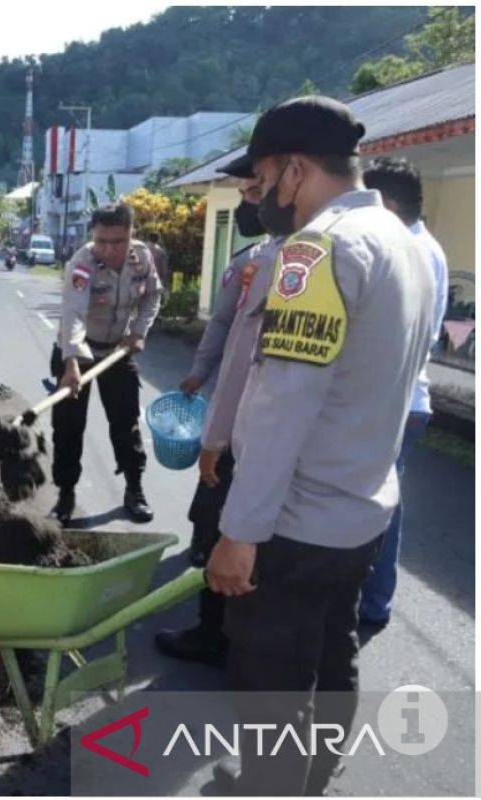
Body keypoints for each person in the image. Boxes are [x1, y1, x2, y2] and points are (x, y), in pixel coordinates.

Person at [205, 97, 435, 796]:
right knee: (333, 655)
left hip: (295, 525)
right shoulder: (408, 243)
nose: (263, 195)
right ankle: (317, 776)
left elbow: (283, 402)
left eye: (266, 177)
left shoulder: (318, 250)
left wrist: (239, 532)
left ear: (296, 169)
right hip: (363, 508)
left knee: (274, 681)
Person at [156, 161, 280, 666]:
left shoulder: (295, 263)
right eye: (246, 193)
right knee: (214, 517)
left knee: (224, 519)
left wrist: (215, 437)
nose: (249, 202)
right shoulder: (250, 262)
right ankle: (223, 624)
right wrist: (198, 372)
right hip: (246, 419)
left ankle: (218, 633)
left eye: (255, 191)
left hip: (257, 423)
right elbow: (222, 328)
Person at [357, 156, 449, 627]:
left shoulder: (406, 250)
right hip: (402, 401)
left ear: (387, 204)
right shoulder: (422, 246)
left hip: (393, 402)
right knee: (381, 503)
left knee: (375, 508)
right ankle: (372, 600)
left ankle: (371, 603)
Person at [51, 203, 163, 524]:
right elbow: (72, 313)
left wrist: (139, 331)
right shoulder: (82, 263)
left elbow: (153, 295)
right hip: (79, 350)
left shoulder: (142, 259)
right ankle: (66, 492)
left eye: (117, 241)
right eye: (101, 240)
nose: (108, 249)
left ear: (131, 236)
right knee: (68, 426)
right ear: (93, 237)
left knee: (126, 424)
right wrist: (71, 361)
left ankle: (134, 489)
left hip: (117, 350)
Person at [145, 231, 171, 296]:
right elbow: (164, 269)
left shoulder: (142, 249)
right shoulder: (161, 252)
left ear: (149, 238)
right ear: (158, 239)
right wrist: (165, 283)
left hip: (142, 280)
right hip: (155, 281)